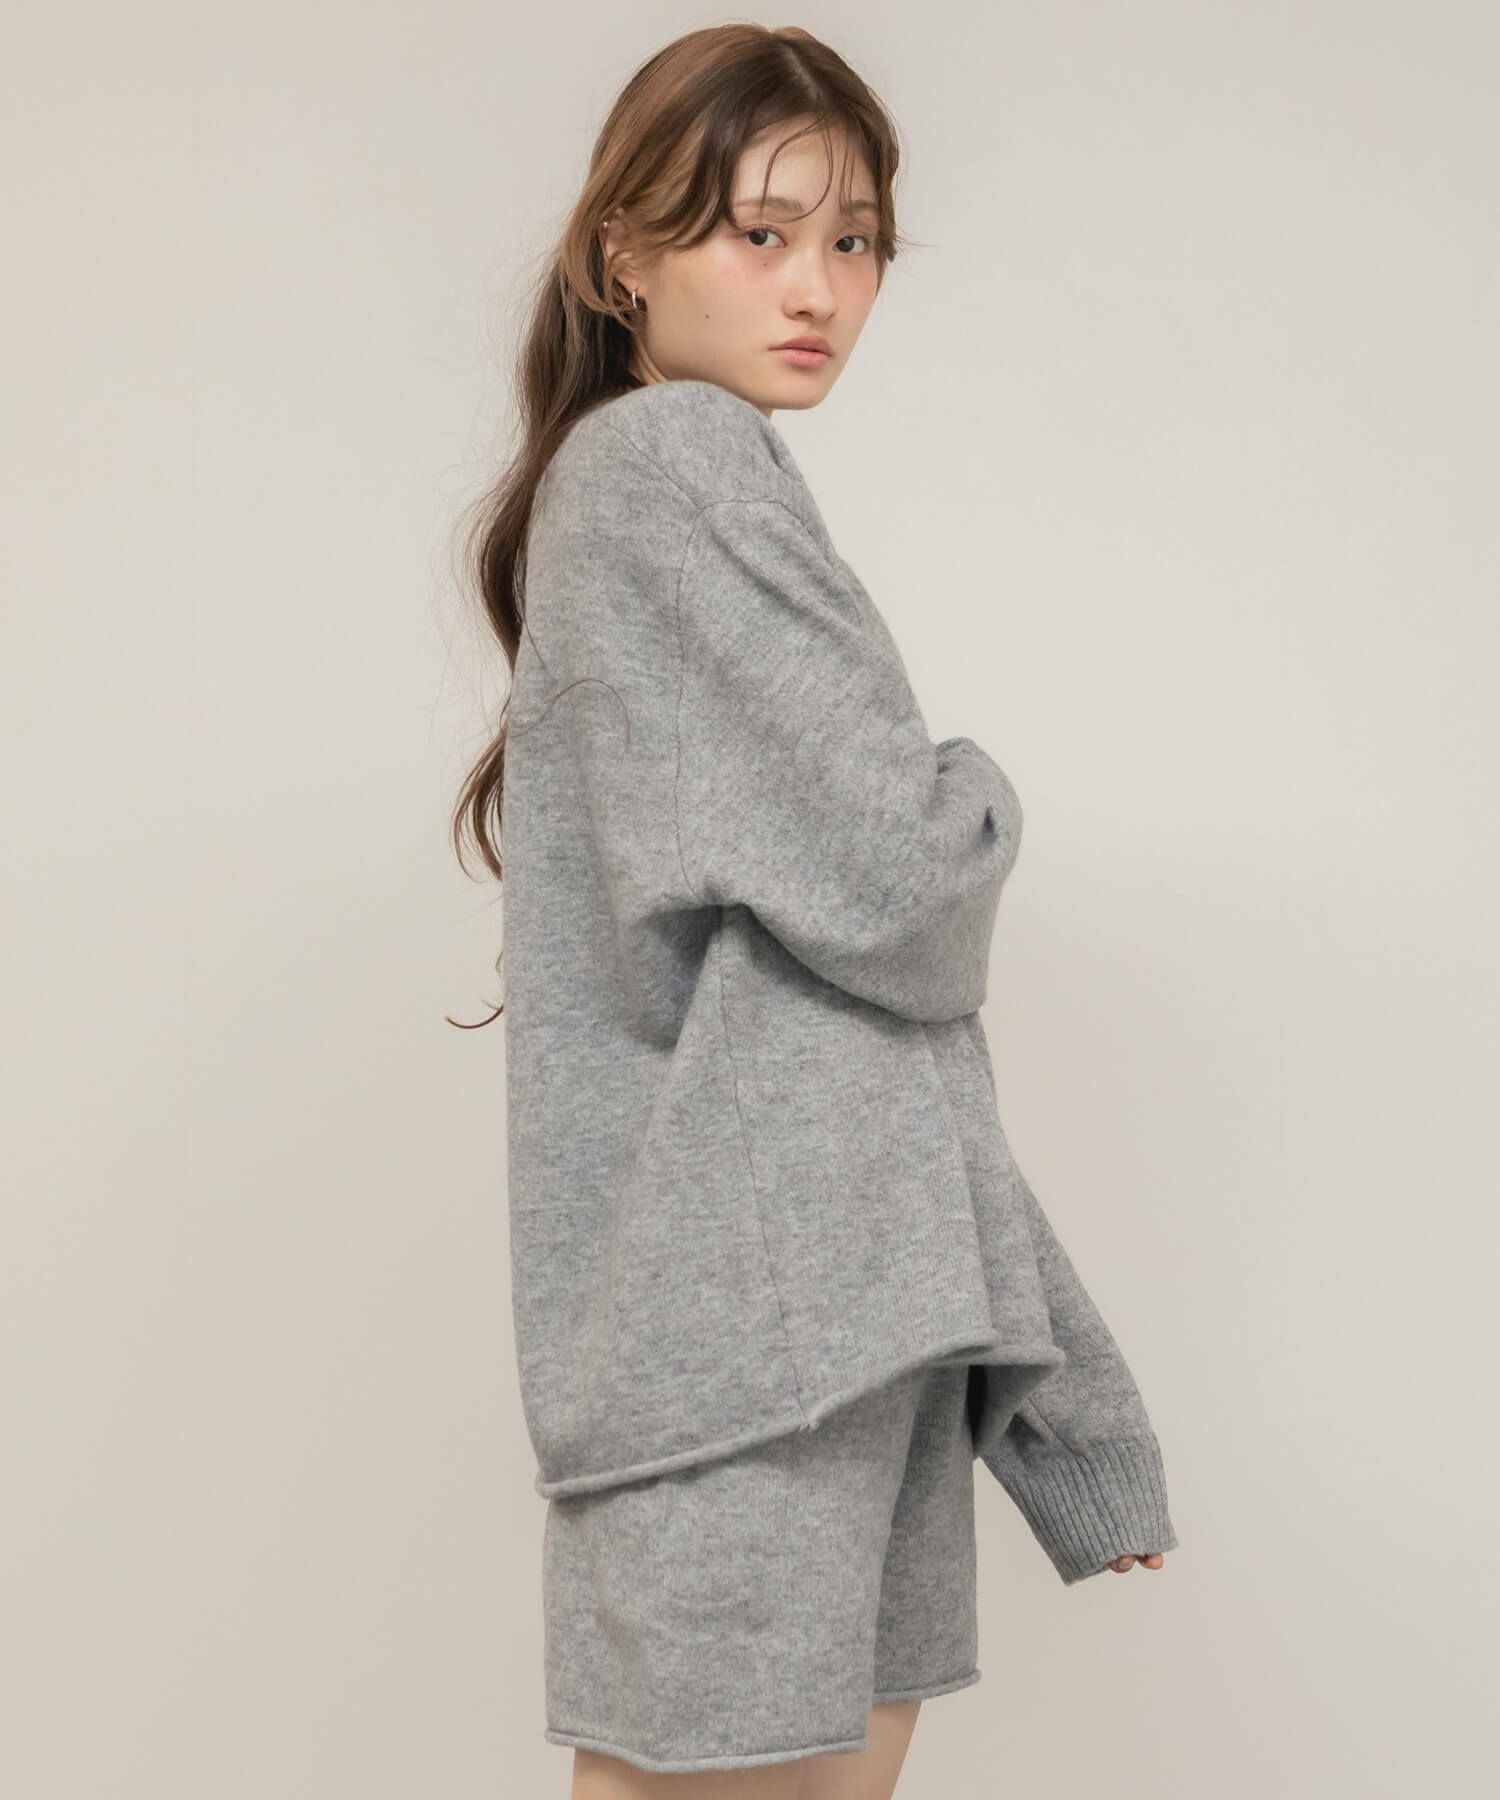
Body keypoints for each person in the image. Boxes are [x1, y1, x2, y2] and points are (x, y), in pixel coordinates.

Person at [452, 24, 1180, 1799]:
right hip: (753, 1357)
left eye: (853, 241)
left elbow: (876, 1035)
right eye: (758, 232)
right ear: (622, 253)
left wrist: (1070, 1415)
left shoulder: (660, 483)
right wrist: (973, 784)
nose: (818, 290)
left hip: (825, 1343)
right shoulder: (670, 464)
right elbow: (911, 895)